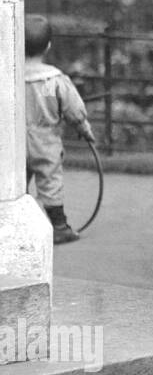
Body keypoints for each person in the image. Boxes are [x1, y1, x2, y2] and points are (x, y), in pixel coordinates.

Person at [23, 15, 95, 244]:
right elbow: (74, 110)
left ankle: (16, 226)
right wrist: (84, 129)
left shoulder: (9, 74)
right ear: (48, 46)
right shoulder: (55, 79)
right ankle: (59, 227)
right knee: (50, 181)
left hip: (14, 143)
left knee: (15, 186)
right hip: (45, 141)